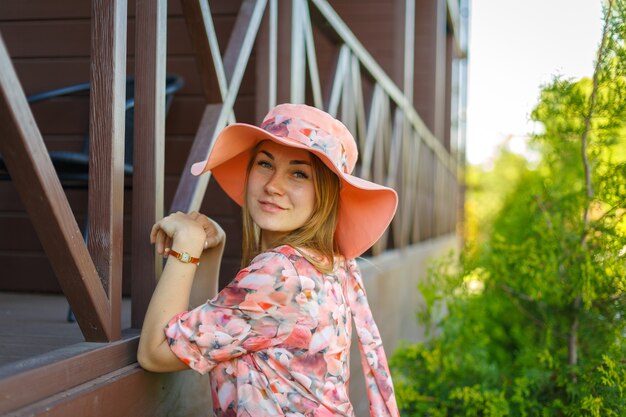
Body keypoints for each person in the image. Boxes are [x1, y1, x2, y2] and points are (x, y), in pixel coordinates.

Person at [138, 103, 400, 416]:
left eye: (299, 173)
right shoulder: (324, 263)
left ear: (326, 195)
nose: (273, 186)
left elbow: (155, 352)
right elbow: (211, 335)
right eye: (265, 164)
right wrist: (210, 252)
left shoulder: (281, 275)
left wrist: (186, 248)